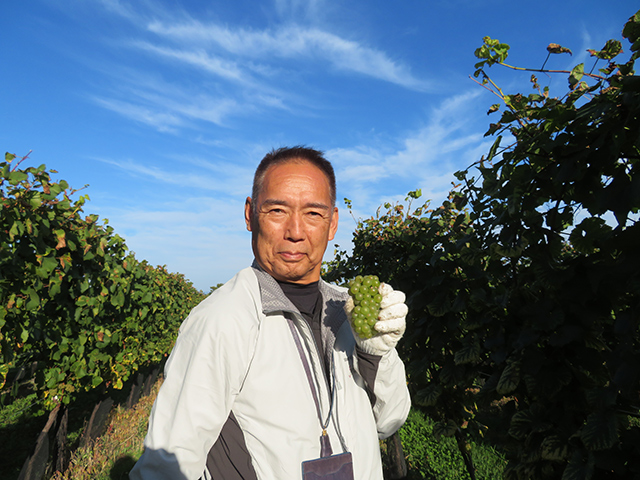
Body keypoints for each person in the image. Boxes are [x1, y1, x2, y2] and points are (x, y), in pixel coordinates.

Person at [129, 146, 411, 480]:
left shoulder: (348, 310)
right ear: (250, 214)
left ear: (332, 223)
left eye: (313, 214)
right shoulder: (223, 320)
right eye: (277, 210)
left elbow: (388, 420)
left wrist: (376, 353)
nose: (295, 231)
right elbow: (167, 466)